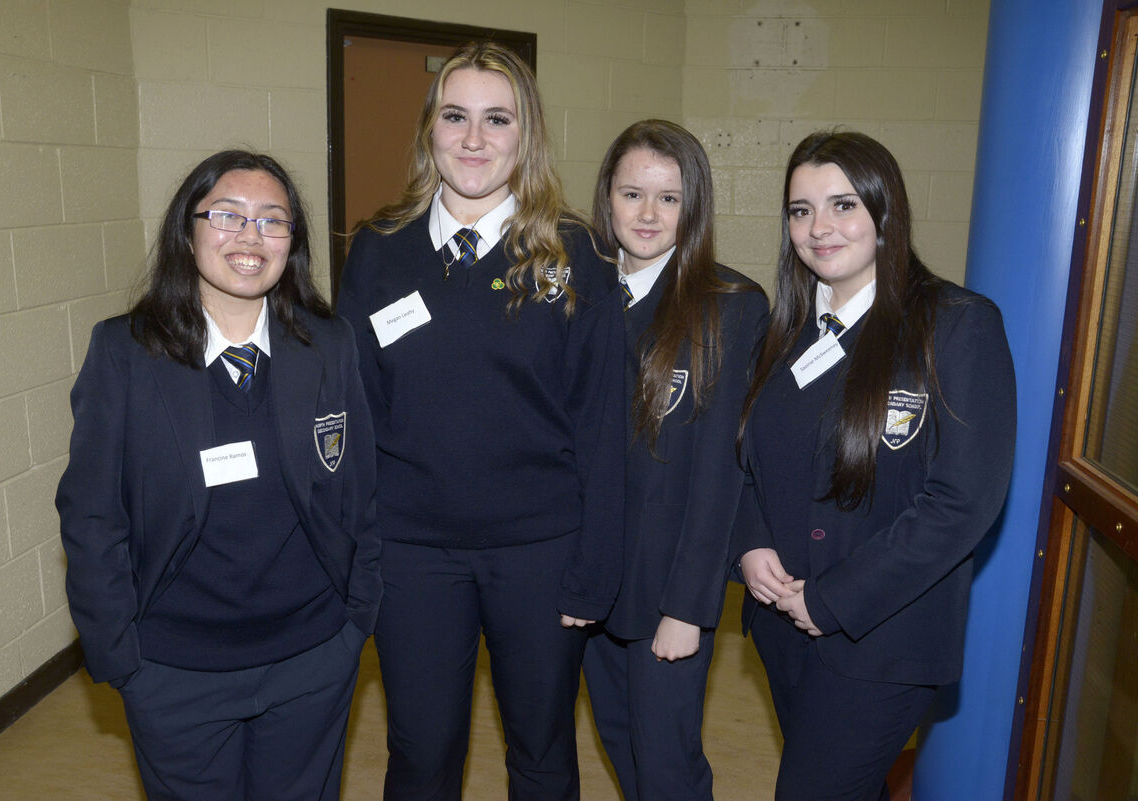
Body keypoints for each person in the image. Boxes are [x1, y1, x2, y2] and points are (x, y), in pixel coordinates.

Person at [333, 41, 626, 801]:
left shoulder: (575, 254)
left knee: (541, 751)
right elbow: (352, 416)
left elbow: (601, 425)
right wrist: (354, 553)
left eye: (497, 120)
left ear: (525, 135)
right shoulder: (377, 250)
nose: (473, 139)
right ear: (429, 128)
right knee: (421, 753)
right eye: (455, 116)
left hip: (540, 553)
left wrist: (594, 571)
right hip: (413, 555)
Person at [55, 150, 379, 801]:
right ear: (188, 230)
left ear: (294, 241)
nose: (250, 237)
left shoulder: (329, 344)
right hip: (175, 668)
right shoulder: (125, 352)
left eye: (272, 220)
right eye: (227, 215)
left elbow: (360, 493)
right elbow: (91, 517)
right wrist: (121, 656)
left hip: (312, 656)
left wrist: (355, 622)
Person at [735, 130, 1017, 801]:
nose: (819, 227)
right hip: (783, 627)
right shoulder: (787, 331)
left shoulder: (956, 325)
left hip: (882, 640)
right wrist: (748, 545)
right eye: (801, 211)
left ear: (884, 212)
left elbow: (962, 501)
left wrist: (831, 599)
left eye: (842, 205)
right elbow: (749, 463)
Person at [579, 120, 767, 801]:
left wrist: (690, 605)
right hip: (591, 583)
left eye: (669, 198)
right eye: (632, 194)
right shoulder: (578, 295)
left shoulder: (730, 306)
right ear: (607, 199)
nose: (648, 214)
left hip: (667, 588)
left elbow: (721, 472)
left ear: (695, 207)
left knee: (667, 766)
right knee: (623, 747)